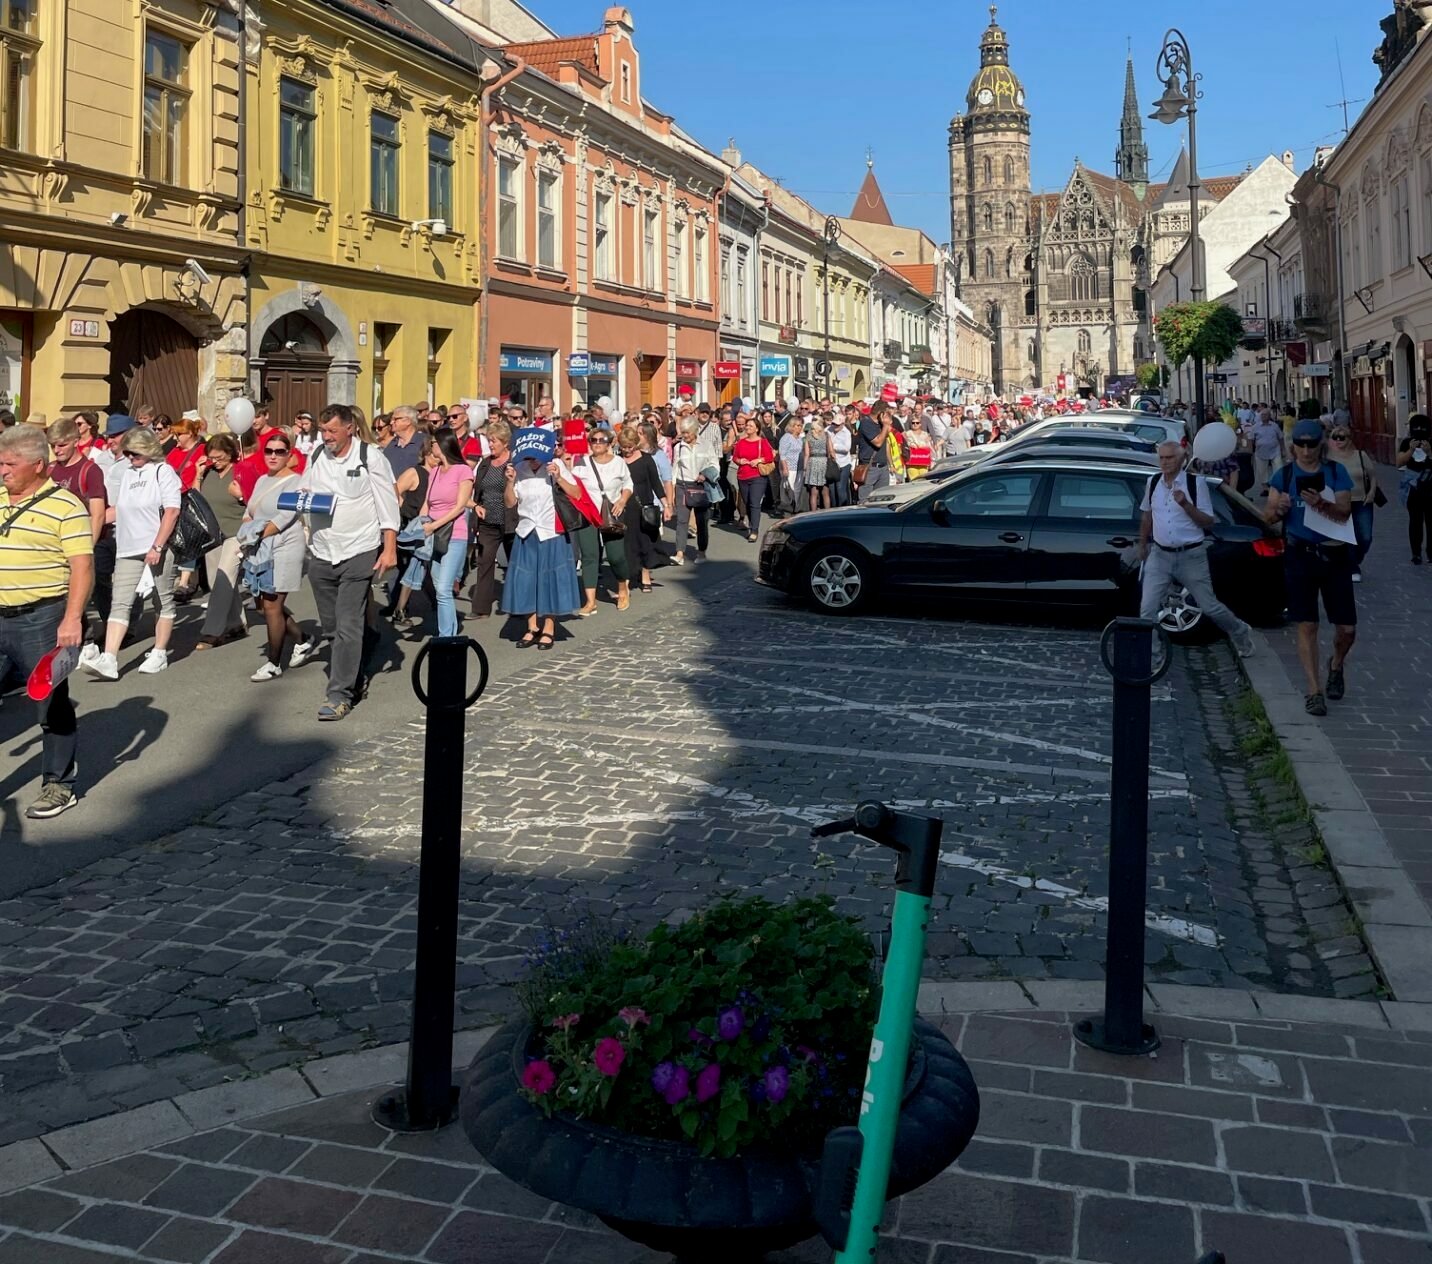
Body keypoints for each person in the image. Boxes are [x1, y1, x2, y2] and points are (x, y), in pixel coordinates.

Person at [0, 425, 92, 818]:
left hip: (42, 617)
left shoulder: (67, 506)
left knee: (50, 704)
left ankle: (58, 784)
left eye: (10, 464)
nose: (2, 470)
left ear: (38, 465)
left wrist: (73, 619)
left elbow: (82, 567)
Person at [294, 404, 400, 721]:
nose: (326, 437)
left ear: (350, 427)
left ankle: (340, 694)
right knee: (333, 628)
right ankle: (357, 666)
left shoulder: (370, 457)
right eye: (323, 431)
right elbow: (303, 490)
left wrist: (389, 548)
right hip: (323, 552)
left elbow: (387, 502)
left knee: (348, 625)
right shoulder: (316, 456)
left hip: (359, 550)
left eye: (332, 431)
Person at [1265, 419, 1357, 716]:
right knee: (1307, 624)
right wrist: (1279, 509)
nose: (1306, 451)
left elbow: (1344, 512)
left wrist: (1321, 504)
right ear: (1293, 447)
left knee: (1347, 629)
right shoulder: (1285, 474)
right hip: (1300, 554)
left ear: (1321, 445)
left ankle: (1336, 664)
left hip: (1334, 555)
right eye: (1300, 445)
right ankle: (1314, 690)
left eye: (1311, 445)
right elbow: (1268, 516)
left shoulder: (1335, 472)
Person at [1138, 441, 1255, 659]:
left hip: (1191, 555)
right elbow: (1147, 515)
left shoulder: (1195, 484)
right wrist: (1143, 543)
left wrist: (1185, 505)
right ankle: (1152, 657)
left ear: (1182, 459)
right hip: (1160, 554)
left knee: (1210, 607)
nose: (1164, 462)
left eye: (1169, 457)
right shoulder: (1152, 482)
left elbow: (1208, 522)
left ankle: (1239, 630)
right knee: (1147, 611)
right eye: (1161, 458)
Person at [84, 427, 181, 679]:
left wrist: (157, 546)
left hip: (157, 546)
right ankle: (109, 659)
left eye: (135, 453)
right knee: (120, 601)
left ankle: (159, 652)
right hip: (127, 547)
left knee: (163, 599)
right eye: (127, 453)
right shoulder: (128, 474)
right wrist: (89, 523)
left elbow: (172, 511)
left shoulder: (163, 471)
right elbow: (120, 509)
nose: (130, 457)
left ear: (148, 449)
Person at [241, 431, 315, 681]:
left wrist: (255, 534)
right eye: (269, 451)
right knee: (262, 605)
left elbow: (285, 517)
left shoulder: (297, 482)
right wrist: (248, 528)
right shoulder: (263, 479)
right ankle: (303, 638)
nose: (273, 456)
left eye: (279, 452)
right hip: (260, 547)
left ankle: (274, 662)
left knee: (272, 603)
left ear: (289, 454)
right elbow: (251, 509)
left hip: (283, 545)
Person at [502, 428, 582, 649]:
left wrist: (558, 477)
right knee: (526, 581)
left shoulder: (556, 466)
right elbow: (510, 503)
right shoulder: (519, 469)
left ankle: (549, 627)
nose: (531, 460)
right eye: (527, 456)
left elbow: (576, 494)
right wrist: (509, 482)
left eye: (534, 456)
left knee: (550, 580)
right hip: (527, 530)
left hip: (551, 531)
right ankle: (531, 626)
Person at [47, 419, 108, 636]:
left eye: (61, 444)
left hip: (83, 541)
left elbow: (98, 512)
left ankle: (104, 632)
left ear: (75, 441)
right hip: (56, 543)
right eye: (53, 445)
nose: (56, 450)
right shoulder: (50, 469)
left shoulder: (90, 470)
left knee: (94, 589)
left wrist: (87, 547)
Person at [192, 433, 249, 648]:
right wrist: (198, 474)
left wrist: (241, 494)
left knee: (225, 576)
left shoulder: (240, 471)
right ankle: (236, 623)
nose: (215, 461)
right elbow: (196, 499)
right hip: (214, 534)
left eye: (219, 457)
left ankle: (212, 631)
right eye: (211, 457)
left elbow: (253, 500)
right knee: (219, 580)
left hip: (237, 532)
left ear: (230, 453)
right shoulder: (208, 473)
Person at [421, 427, 475, 637]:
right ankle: (449, 630)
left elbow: (460, 506)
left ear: (443, 445)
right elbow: (428, 502)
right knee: (438, 586)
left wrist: (434, 525)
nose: (430, 446)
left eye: (433, 443)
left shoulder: (463, 471)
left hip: (453, 533)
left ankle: (446, 636)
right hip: (432, 534)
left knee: (443, 589)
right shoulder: (434, 472)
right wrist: (420, 524)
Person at [572, 428, 634, 611]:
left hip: (612, 512)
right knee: (589, 556)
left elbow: (628, 483)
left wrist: (623, 500)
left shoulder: (618, 463)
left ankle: (623, 588)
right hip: (588, 514)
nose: (597, 443)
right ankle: (590, 602)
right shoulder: (582, 463)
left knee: (616, 556)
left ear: (609, 443)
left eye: (601, 440)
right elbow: (573, 483)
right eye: (593, 440)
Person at [469, 420, 515, 619]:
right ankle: (481, 608)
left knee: (515, 564)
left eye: (494, 441)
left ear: (505, 442)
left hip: (511, 521)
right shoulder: (485, 463)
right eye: (489, 440)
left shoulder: (514, 462)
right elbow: (477, 490)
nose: (491, 444)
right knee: (484, 562)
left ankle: (518, 606)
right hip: (487, 520)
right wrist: (476, 510)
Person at [1327, 424, 1379, 581]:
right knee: (1347, 537)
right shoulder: (1328, 458)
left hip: (1362, 501)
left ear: (1349, 439)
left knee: (1365, 537)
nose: (1337, 440)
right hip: (1340, 502)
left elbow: (1373, 476)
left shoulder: (1360, 456)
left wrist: (1371, 493)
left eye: (1341, 437)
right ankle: (1352, 567)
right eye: (1334, 437)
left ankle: (1355, 560)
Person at [618, 425, 663, 593]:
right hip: (624, 507)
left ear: (636, 444)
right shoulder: (617, 460)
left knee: (645, 541)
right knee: (627, 544)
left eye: (630, 447)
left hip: (644, 505)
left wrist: (666, 504)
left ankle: (645, 574)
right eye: (623, 447)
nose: (627, 450)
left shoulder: (646, 460)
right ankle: (627, 579)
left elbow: (656, 483)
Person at [671, 418, 711, 566]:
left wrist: (705, 474)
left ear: (695, 431)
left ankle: (701, 552)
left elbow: (714, 464)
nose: (684, 435)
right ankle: (679, 553)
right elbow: (674, 469)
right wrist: (673, 490)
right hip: (683, 485)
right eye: (683, 432)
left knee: (701, 521)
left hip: (700, 485)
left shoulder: (705, 445)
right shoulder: (678, 447)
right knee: (681, 521)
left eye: (687, 432)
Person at [731, 414, 776, 542]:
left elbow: (770, 457)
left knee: (755, 502)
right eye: (747, 425)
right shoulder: (741, 442)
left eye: (751, 425)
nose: (747, 427)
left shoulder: (762, 442)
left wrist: (759, 460)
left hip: (757, 476)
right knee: (747, 502)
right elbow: (735, 457)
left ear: (757, 428)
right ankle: (752, 524)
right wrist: (740, 461)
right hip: (742, 476)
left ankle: (754, 530)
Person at [1397, 412, 1432, 564]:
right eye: (1416, 427)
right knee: (1415, 521)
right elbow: (1399, 463)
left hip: (1430, 486)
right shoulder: (1406, 442)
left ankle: (1431, 553)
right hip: (1413, 488)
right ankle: (1416, 553)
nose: (1419, 430)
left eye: (1422, 427)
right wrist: (1411, 450)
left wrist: (1429, 452)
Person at [856, 402, 893, 502]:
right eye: (888, 414)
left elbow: (886, 443)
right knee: (865, 501)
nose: (889, 417)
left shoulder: (880, 424)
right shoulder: (866, 423)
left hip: (883, 467)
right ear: (881, 414)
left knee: (882, 500)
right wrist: (885, 425)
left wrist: (890, 464)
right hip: (870, 468)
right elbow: (878, 443)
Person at [803, 415, 833, 509]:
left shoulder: (808, 435)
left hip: (813, 461)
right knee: (825, 490)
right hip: (824, 461)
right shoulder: (826, 435)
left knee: (814, 492)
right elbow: (831, 451)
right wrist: (833, 461)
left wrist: (804, 467)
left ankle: (813, 514)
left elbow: (807, 454)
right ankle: (827, 513)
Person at [828, 411, 855, 507]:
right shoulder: (828, 430)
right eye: (833, 424)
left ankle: (842, 508)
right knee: (831, 489)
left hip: (844, 463)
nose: (835, 426)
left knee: (840, 488)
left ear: (843, 424)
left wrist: (832, 446)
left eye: (837, 425)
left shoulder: (846, 433)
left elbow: (846, 448)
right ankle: (834, 508)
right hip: (832, 464)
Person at [777, 418, 803, 515]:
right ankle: (787, 508)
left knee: (796, 490)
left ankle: (795, 508)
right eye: (797, 425)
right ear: (792, 426)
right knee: (788, 488)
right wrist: (785, 468)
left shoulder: (799, 438)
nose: (799, 428)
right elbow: (782, 454)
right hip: (789, 467)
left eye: (801, 425)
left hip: (798, 467)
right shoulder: (786, 437)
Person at [904, 414, 933, 480]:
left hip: (923, 462)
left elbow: (929, 448)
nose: (915, 424)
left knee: (923, 481)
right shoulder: (907, 434)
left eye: (917, 423)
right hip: (912, 462)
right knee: (914, 481)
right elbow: (908, 445)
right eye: (913, 423)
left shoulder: (925, 434)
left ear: (920, 424)